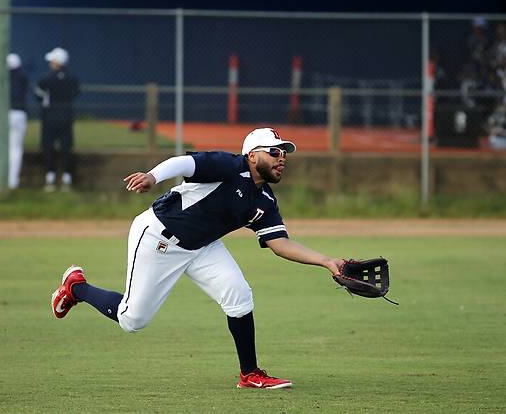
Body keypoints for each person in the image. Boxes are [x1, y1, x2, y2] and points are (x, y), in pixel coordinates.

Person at [50, 127, 345, 389]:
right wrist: (153, 176)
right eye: (275, 152)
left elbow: (279, 243)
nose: (282, 159)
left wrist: (327, 262)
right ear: (253, 156)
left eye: (285, 155)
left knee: (239, 296)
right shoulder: (230, 166)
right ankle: (76, 287)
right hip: (160, 237)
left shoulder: (264, 200)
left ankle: (250, 374)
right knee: (132, 319)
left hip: (203, 246)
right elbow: (184, 163)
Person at [35, 47, 80, 191]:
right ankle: (67, 179)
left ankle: (50, 179)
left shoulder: (45, 79)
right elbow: (76, 93)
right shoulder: (72, 80)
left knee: (49, 148)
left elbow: (38, 95)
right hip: (66, 117)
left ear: (57, 62)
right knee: (67, 148)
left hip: (49, 117)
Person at [7, 53, 29, 190]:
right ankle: (13, 182)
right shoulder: (23, 77)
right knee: (15, 148)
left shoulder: (0, 77)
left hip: (2, 115)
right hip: (19, 114)